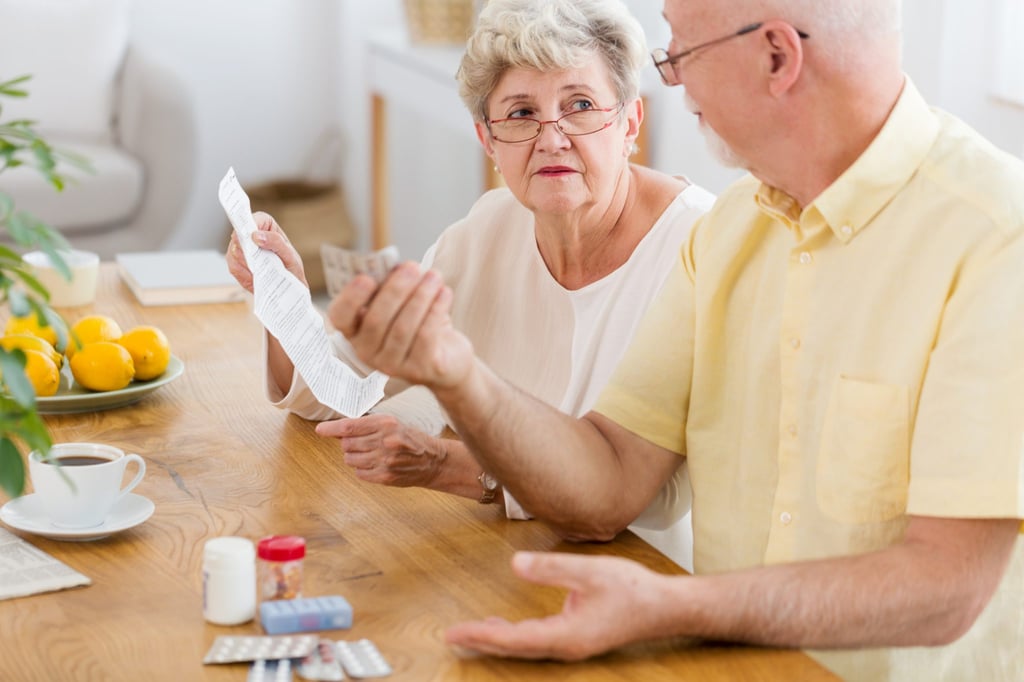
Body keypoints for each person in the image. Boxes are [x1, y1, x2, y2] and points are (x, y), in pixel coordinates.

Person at [325, 0, 1024, 679]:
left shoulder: (999, 237)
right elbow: (607, 480)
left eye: (682, 51)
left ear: (777, 55)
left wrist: (674, 605)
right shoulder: (730, 233)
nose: (670, 76)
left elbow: (947, 586)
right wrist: (456, 371)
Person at [226, 0, 715, 566]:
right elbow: (342, 392)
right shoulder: (488, 228)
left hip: (639, 579)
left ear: (629, 123)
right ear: (488, 140)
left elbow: (654, 499)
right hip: (506, 555)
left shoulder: (696, 246)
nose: (551, 137)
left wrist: (455, 468)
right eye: (521, 113)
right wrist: (281, 296)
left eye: (579, 105)